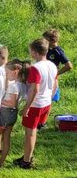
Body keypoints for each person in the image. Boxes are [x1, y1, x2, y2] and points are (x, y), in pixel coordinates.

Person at [14, 39, 57, 169]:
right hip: (46, 103)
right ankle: (27, 155)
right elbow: (55, 84)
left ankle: (26, 161)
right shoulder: (52, 65)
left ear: (34, 52)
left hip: (36, 105)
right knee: (33, 132)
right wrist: (49, 97)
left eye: (30, 50)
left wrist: (26, 108)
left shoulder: (35, 68)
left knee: (30, 133)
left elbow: (34, 89)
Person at [0, 59, 29, 167]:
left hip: (5, 113)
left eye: (7, 73)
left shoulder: (14, 86)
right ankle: (1, 162)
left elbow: (12, 103)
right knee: (6, 138)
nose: (7, 75)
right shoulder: (22, 85)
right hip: (12, 114)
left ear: (15, 72)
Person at [43, 29, 73, 103]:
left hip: (52, 76)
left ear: (52, 41)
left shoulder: (58, 51)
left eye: (45, 40)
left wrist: (57, 73)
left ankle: (54, 100)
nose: (43, 42)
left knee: (52, 92)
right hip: (45, 74)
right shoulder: (47, 49)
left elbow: (69, 66)